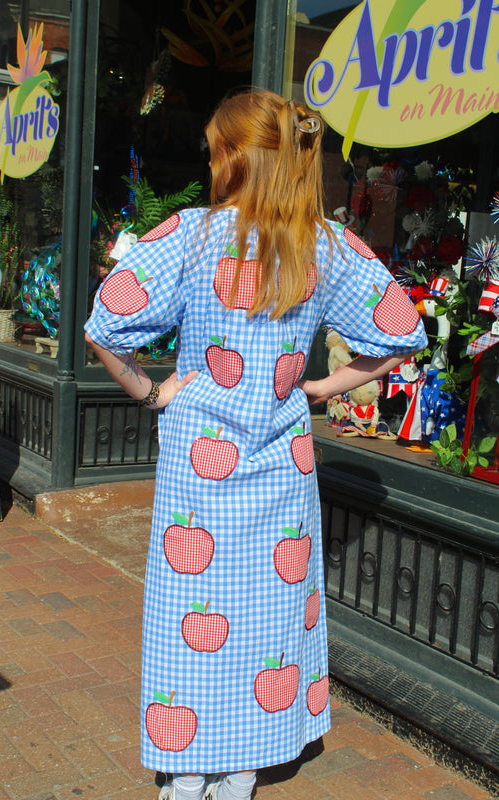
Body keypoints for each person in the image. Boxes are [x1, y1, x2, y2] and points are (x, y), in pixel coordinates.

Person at [84, 88, 427, 800]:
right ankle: (243, 765)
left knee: (189, 612)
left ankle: (185, 769)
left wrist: (151, 392)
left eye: (216, 148)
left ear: (234, 157)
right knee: (267, 616)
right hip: (281, 460)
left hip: (196, 464)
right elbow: (399, 334)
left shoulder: (186, 233)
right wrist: (324, 387)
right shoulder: (326, 246)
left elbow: (105, 325)